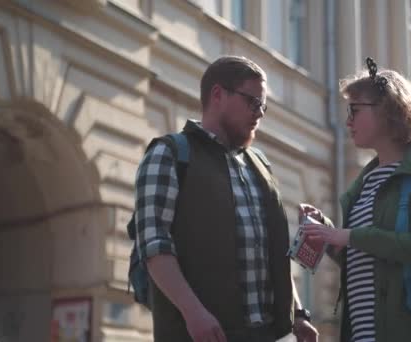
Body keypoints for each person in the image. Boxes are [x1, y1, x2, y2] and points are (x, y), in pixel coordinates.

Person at [134, 55, 318, 342]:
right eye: (253, 102)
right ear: (218, 94)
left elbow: (275, 257)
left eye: (263, 105)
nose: (260, 113)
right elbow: (154, 246)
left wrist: (299, 314)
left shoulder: (261, 165)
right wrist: (193, 312)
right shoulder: (169, 154)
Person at [299, 58, 411, 342]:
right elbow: (366, 260)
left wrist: (349, 235)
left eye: (355, 111)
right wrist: (330, 237)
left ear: (386, 110)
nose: (348, 121)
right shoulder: (364, 182)